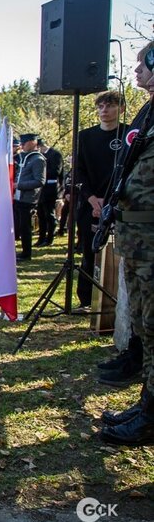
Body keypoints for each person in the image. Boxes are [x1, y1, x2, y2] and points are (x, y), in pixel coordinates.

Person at [99, 42, 154, 447]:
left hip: (151, 239)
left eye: (142, 63)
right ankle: (149, 402)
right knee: (145, 324)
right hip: (137, 238)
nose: (136, 71)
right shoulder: (149, 111)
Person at [73, 91, 127, 309]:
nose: (104, 111)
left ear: (121, 108)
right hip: (90, 203)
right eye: (101, 107)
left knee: (119, 254)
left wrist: (112, 199)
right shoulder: (85, 136)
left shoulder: (129, 134)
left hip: (120, 202)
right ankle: (86, 299)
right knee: (88, 251)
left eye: (110, 106)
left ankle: (116, 298)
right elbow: (78, 170)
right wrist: (91, 198)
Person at [13, 133, 46, 261]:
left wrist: (18, 185)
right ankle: (21, 250)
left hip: (27, 198)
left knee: (25, 227)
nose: (22, 146)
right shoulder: (22, 157)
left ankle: (27, 253)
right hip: (18, 197)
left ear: (33, 142)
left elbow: (40, 181)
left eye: (24, 143)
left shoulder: (38, 159)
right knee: (19, 225)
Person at [36, 137, 63, 247]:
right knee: (40, 214)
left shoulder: (55, 154)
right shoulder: (39, 156)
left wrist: (41, 171)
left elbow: (56, 171)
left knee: (49, 214)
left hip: (50, 188)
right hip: (40, 190)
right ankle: (41, 237)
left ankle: (49, 238)